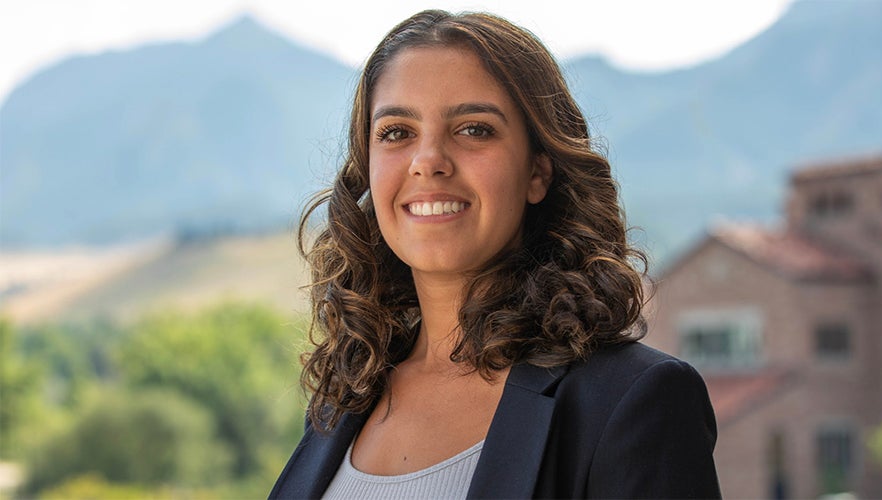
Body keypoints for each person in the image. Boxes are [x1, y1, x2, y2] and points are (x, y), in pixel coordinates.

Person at [270, 9, 720, 499]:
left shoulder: (632, 399)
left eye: (474, 129)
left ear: (538, 172)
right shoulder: (344, 398)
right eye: (397, 132)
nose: (427, 162)